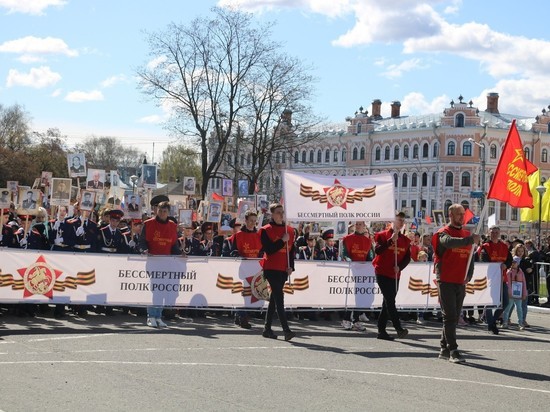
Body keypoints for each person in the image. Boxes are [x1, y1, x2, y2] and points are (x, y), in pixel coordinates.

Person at [432, 204, 480, 363]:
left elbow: (471, 257)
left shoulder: (467, 234)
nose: (462, 216)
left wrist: (470, 274)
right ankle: (453, 349)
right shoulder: (443, 233)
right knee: (450, 316)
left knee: (453, 317)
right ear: (450, 215)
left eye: (463, 214)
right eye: (459, 214)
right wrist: (468, 240)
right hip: (446, 279)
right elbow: (448, 243)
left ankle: (444, 348)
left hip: (460, 281)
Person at [139, 200, 181, 328]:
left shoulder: (172, 225)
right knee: (155, 290)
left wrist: (180, 254)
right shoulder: (148, 224)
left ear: (168, 212)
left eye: (165, 211)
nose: (162, 213)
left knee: (163, 290)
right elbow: (141, 242)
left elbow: (174, 245)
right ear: (156, 210)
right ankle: (151, 316)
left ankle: (158, 316)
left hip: (167, 263)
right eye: (160, 211)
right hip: (153, 262)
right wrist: (144, 250)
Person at [258, 203, 296, 341]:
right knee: (279, 298)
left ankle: (267, 329)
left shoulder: (290, 230)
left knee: (274, 299)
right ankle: (286, 330)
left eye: (282, 212)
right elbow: (269, 250)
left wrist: (291, 266)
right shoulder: (265, 230)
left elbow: (291, 251)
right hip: (271, 268)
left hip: (283, 269)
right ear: (272, 214)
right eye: (278, 212)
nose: (281, 214)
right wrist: (281, 241)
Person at [372, 212, 411, 340]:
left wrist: (400, 267)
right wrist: (390, 241)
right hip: (382, 272)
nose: (401, 222)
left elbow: (407, 258)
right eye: (398, 219)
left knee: (387, 302)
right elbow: (377, 251)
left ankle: (381, 330)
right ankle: (398, 328)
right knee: (390, 300)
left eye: (402, 220)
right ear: (393, 221)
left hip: (395, 274)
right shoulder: (382, 235)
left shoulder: (405, 240)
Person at [227, 210, 263, 329]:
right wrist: (239, 256)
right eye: (250, 220)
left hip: (255, 268)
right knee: (243, 292)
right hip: (243, 268)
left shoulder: (259, 235)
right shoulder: (238, 235)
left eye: (254, 221)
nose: (253, 223)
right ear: (246, 221)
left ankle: (241, 315)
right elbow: (233, 251)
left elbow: (262, 251)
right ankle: (242, 316)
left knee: (252, 293)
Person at [478, 225, 512, 334]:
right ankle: (491, 324)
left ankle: (492, 320)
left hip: (502, 279)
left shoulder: (504, 246)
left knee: (505, 302)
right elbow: (484, 261)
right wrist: (495, 267)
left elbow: (509, 260)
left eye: (496, 232)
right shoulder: (485, 246)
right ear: (489, 233)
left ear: (499, 233)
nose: (495, 234)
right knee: (489, 302)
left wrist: (506, 265)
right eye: (492, 232)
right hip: (490, 280)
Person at [340, 221, 372, 331]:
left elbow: (369, 256)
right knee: (351, 295)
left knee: (360, 296)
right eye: (357, 224)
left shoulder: (368, 241)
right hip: (352, 270)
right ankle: (346, 319)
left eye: (360, 224)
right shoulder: (347, 238)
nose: (358, 226)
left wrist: (370, 266)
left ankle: (357, 320)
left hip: (363, 272)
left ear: (364, 226)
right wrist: (350, 261)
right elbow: (344, 254)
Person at [502, 256, 527, 330]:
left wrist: (524, 293)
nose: (513, 264)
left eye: (515, 262)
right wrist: (509, 292)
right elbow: (508, 283)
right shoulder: (508, 272)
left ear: (518, 263)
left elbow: (524, 283)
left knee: (519, 308)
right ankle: (505, 322)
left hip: (518, 294)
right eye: (512, 262)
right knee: (507, 308)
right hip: (510, 294)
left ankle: (521, 323)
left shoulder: (521, 272)